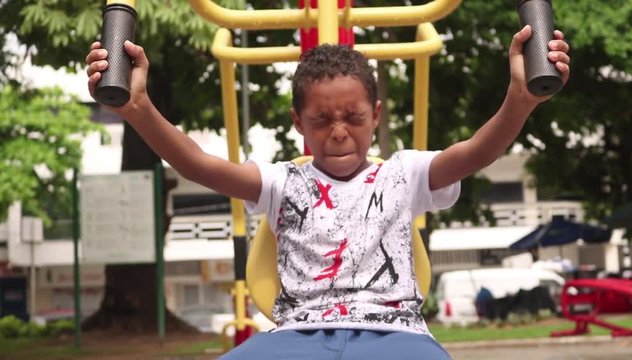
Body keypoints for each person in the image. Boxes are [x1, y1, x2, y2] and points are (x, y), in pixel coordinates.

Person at [86, 24, 570, 360]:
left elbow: (474, 152)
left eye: (354, 119)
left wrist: (520, 100)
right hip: (299, 332)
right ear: (299, 122)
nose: (339, 132)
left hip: (394, 331)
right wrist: (138, 108)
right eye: (321, 120)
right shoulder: (282, 183)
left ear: (376, 115)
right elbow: (197, 163)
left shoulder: (404, 173)